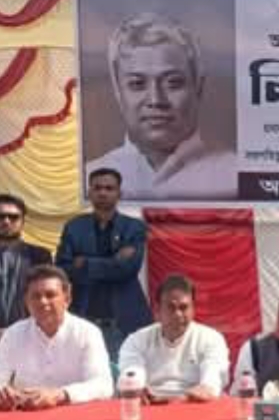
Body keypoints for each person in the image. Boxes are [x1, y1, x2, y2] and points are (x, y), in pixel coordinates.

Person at [86, 12, 236, 200]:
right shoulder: (88, 178)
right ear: (117, 91)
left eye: (173, 83)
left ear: (198, 86)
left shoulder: (237, 177)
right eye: (137, 84)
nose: (156, 100)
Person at [56, 168, 152, 367]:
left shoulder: (134, 227)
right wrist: (113, 262)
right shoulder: (74, 227)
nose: (103, 192)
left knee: (125, 377)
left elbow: (128, 269)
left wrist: (85, 263)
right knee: (82, 375)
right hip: (83, 317)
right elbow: (63, 270)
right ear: (89, 192)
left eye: (109, 188)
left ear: (119, 193)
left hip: (124, 320)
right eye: (97, 188)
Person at [0, 265, 113, 411]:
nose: (43, 302)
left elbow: (103, 385)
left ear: (67, 299)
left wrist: (60, 395)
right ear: (26, 302)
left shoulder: (87, 333)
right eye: (36, 296)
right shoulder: (13, 334)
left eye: (50, 295)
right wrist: (4, 394)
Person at [119, 274, 229, 402]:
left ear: (193, 309)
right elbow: (132, 377)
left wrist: (176, 399)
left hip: (194, 405)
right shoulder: (136, 340)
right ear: (157, 310)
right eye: (171, 307)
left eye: (184, 308)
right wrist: (136, 389)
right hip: (150, 406)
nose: (177, 314)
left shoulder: (211, 339)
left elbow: (211, 385)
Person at [0, 194, 52, 331]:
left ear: (23, 221)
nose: (6, 221)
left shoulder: (40, 256)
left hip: (29, 333)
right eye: (1, 216)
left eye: (13, 217)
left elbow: (47, 297)